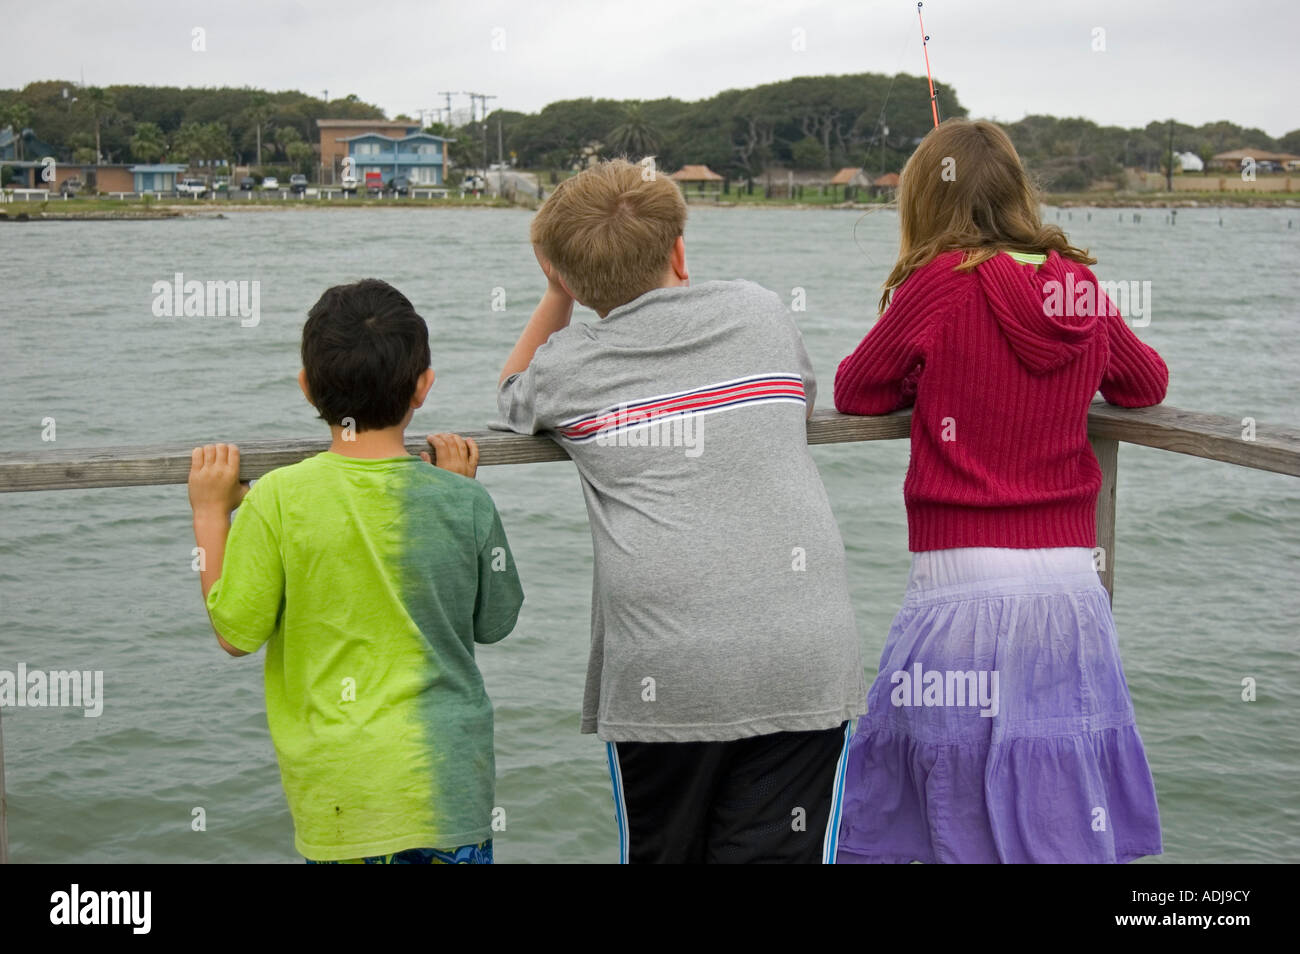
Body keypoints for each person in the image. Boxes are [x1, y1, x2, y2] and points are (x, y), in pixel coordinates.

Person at [495, 158, 865, 864]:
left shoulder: (568, 367)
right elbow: (797, 399)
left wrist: (556, 297)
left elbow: (511, 389)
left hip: (667, 677)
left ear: (569, 278)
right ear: (680, 250)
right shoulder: (762, 312)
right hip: (803, 657)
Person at [833, 119, 1168, 863]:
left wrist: (932, 376)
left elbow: (857, 391)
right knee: (1053, 808)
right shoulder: (1076, 287)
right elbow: (1145, 385)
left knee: (934, 810)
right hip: (1070, 591)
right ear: (1019, 192)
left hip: (961, 586)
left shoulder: (938, 285)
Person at [187, 278, 524, 864]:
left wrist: (211, 513)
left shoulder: (276, 499)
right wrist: (455, 491)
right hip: (451, 794)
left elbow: (234, 634)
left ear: (306, 388)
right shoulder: (464, 502)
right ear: (423, 388)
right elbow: (493, 622)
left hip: (342, 800)